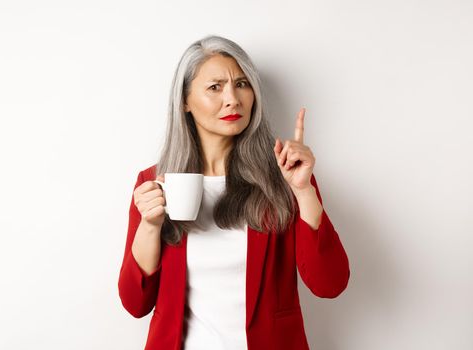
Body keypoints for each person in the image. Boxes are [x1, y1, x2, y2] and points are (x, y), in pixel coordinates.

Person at [118, 34, 350, 350]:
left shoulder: (284, 175)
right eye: (215, 87)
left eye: (241, 84)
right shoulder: (153, 182)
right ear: (185, 100)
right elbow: (136, 303)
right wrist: (150, 225)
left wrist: (304, 192)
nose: (233, 99)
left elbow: (330, 284)